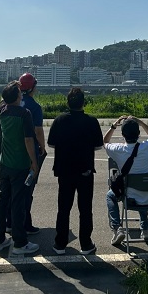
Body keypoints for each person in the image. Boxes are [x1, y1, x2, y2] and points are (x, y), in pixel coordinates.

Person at [47, 88, 104, 255]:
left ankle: (60, 243)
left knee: (63, 208)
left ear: (68, 103)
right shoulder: (91, 121)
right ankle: (86, 243)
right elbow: (98, 146)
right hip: (85, 170)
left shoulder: (59, 120)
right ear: (83, 103)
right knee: (85, 208)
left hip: (64, 170)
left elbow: (51, 144)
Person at [0, 80, 40, 255]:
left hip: (3, 163)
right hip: (20, 164)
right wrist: (34, 162)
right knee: (18, 204)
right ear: (17, 97)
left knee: (2, 202)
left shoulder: (2, 111)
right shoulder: (24, 113)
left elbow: (2, 100)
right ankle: (20, 243)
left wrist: (10, 86)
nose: (22, 96)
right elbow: (29, 140)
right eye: (19, 94)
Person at [103, 115, 148, 245]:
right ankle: (146, 229)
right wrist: (139, 121)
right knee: (142, 187)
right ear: (138, 133)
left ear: (123, 134)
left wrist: (114, 125)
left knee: (110, 196)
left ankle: (117, 228)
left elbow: (104, 141)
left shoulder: (119, 149)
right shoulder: (147, 147)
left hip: (130, 197)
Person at [18, 72, 46, 235]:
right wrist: (42, 147)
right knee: (28, 188)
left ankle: (10, 221)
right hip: (30, 153)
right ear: (32, 87)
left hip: (13, 151)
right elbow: (38, 131)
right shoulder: (34, 107)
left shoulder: (12, 103)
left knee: (14, 188)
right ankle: (26, 223)